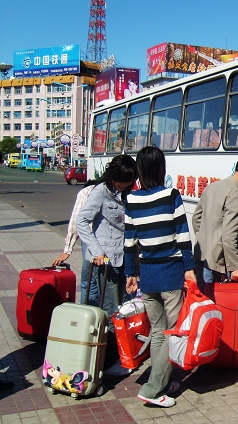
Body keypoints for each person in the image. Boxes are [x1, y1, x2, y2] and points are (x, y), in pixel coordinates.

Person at [123, 147, 196, 408]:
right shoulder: (171, 195)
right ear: (161, 168)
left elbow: (129, 242)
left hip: (148, 275)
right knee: (171, 332)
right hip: (171, 273)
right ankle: (153, 389)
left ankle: (163, 382)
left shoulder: (131, 200)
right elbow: (183, 235)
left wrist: (130, 273)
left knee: (157, 332)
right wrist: (189, 268)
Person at [76, 154, 138, 377]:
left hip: (125, 258)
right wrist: (96, 251)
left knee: (124, 306)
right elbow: (81, 221)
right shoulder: (101, 191)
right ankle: (110, 358)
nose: (125, 184)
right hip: (106, 260)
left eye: (129, 181)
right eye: (122, 180)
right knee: (112, 310)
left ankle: (120, 354)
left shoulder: (129, 193)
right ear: (114, 176)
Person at [191, 154, 238, 300]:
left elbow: (196, 219)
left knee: (201, 302)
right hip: (215, 260)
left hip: (200, 253)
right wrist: (235, 267)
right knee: (212, 302)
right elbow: (229, 234)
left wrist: (206, 238)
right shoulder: (236, 195)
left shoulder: (212, 187)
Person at [52, 179, 100, 306]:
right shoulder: (91, 192)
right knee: (97, 282)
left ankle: (88, 313)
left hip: (91, 241)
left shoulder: (87, 192)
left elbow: (76, 221)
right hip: (104, 242)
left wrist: (67, 250)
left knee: (89, 282)